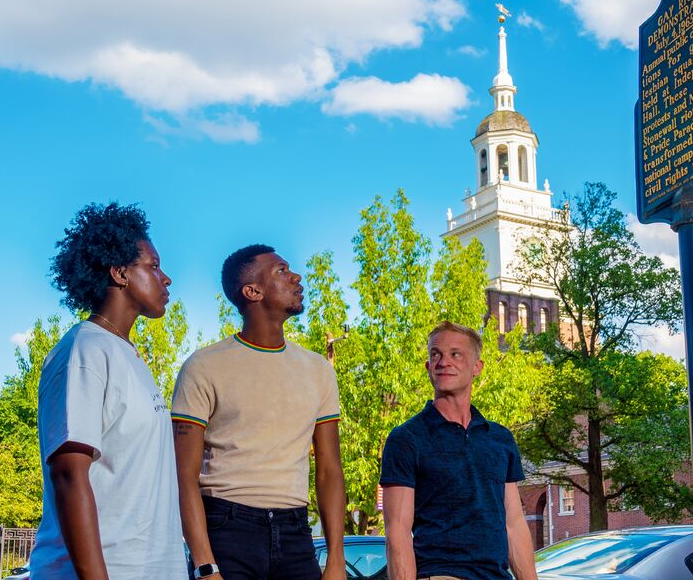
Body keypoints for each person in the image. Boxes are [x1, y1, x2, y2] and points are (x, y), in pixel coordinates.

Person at [31, 202, 187, 580]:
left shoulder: (125, 353)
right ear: (119, 273)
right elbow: (68, 473)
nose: (166, 278)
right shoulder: (84, 350)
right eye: (152, 266)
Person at [171, 244, 346, 580]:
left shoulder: (318, 370)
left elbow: (329, 471)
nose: (296, 277)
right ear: (252, 291)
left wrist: (336, 560)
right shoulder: (203, 367)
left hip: (296, 533)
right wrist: (205, 565)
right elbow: (183, 477)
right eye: (281, 271)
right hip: (227, 532)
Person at [380, 321, 538, 580]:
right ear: (428, 367)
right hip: (441, 573)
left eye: (455, 354)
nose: (444, 361)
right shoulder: (406, 438)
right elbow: (397, 532)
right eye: (436, 354)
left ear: (477, 367)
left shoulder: (500, 439)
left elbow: (513, 524)